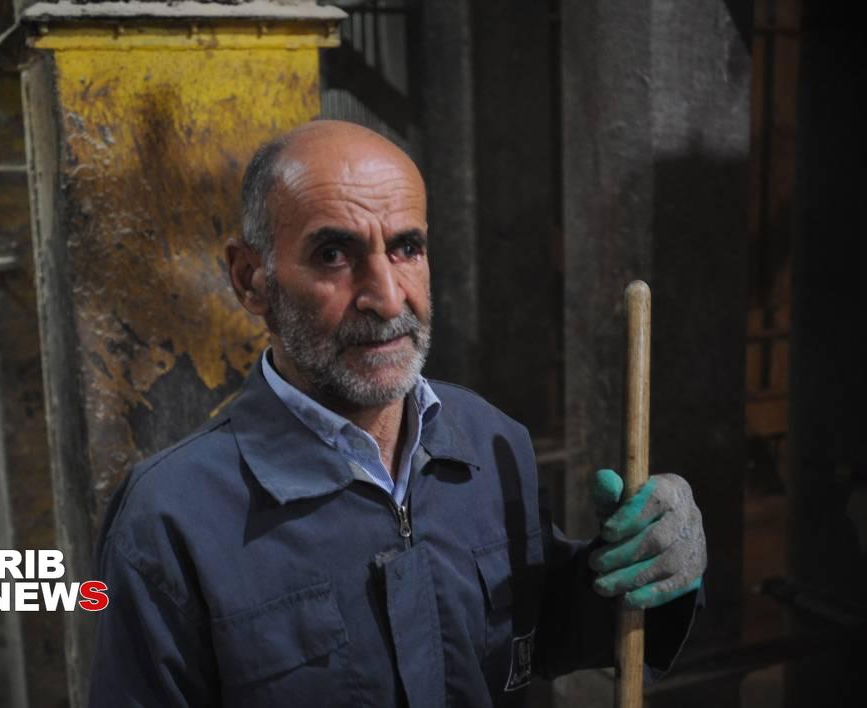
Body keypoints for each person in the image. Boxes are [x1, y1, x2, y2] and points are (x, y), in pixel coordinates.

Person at [89, 120, 706, 707]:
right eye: (334, 254)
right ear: (252, 279)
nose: (387, 298)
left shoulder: (492, 444)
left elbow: (533, 635)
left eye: (407, 248)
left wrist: (649, 563)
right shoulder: (170, 521)